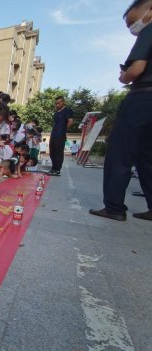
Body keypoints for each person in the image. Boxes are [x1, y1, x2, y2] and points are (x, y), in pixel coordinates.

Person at [90, 0, 152, 222]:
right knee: (147, 156)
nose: (132, 29)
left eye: (133, 22)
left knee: (120, 154)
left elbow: (136, 69)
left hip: (143, 98)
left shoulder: (150, 30)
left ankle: (114, 207)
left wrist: (124, 76)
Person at [48, 96, 73, 176]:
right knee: (52, 152)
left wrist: (63, 130)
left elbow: (70, 122)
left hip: (60, 135)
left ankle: (57, 169)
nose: (57, 105)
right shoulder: (56, 112)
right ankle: (53, 168)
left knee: (58, 153)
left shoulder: (67, 110)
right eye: (56, 103)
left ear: (63, 102)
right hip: (54, 134)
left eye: (59, 103)